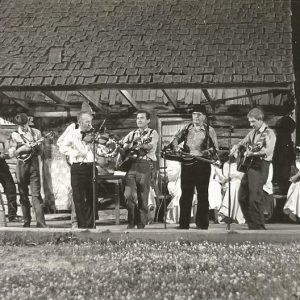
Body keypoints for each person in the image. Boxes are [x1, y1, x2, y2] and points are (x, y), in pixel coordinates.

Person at [169, 104, 218, 230]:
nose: (196, 117)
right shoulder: (186, 128)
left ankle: (202, 224)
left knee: (202, 195)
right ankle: (183, 224)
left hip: (202, 165)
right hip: (187, 164)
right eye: (194, 114)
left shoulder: (209, 130)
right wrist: (176, 147)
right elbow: (175, 140)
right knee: (186, 195)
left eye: (199, 114)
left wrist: (201, 153)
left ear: (204, 117)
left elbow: (214, 149)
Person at [230, 108, 276, 230]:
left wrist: (253, 154)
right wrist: (236, 147)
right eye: (250, 121)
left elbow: (268, 150)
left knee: (255, 198)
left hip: (261, 166)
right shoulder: (252, 133)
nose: (251, 124)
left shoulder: (269, 133)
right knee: (242, 197)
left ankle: (259, 226)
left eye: (253, 122)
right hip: (250, 167)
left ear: (260, 120)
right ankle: (252, 224)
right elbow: (242, 142)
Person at [58, 111, 97, 229]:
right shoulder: (72, 134)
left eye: (90, 122)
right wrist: (75, 153)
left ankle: (91, 225)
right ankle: (81, 225)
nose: (90, 124)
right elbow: (62, 147)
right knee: (78, 198)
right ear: (80, 122)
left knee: (92, 197)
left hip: (91, 167)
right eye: (87, 122)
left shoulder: (94, 133)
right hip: (78, 168)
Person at [120, 110, 159, 229]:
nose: (139, 120)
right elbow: (122, 144)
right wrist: (130, 145)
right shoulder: (132, 134)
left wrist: (141, 144)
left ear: (148, 120)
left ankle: (141, 224)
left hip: (145, 164)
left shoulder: (153, 133)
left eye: (142, 118)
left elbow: (150, 146)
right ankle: (131, 221)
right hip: (131, 165)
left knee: (143, 195)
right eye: (137, 118)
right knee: (128, 194)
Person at [9, 113, 47, 228]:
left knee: (36, 194)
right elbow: (11, 154)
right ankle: (26, 222)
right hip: (21, 165)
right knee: (23, 194)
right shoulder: (14, 135)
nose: (23, 127)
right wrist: (22, 148)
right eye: (21, 125)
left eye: (24, 124)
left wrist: (38, 146)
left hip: (34, 164)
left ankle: (41, 223)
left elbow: (41, 152)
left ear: (28, 122)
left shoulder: (36, 133)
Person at [273, 100, 296, 194]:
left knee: (279, 165)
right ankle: (283, 188)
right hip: (286, 145)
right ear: (290, 111)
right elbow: (290, 131)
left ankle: (280, 186)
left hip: (279, 145)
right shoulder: (290, 122)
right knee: (285, 167)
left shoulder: (279, 121)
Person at [0, 142, 20, 222]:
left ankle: (12, 216)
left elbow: (5, 141)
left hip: (1, 165)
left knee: (11, 189)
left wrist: (5, 153)